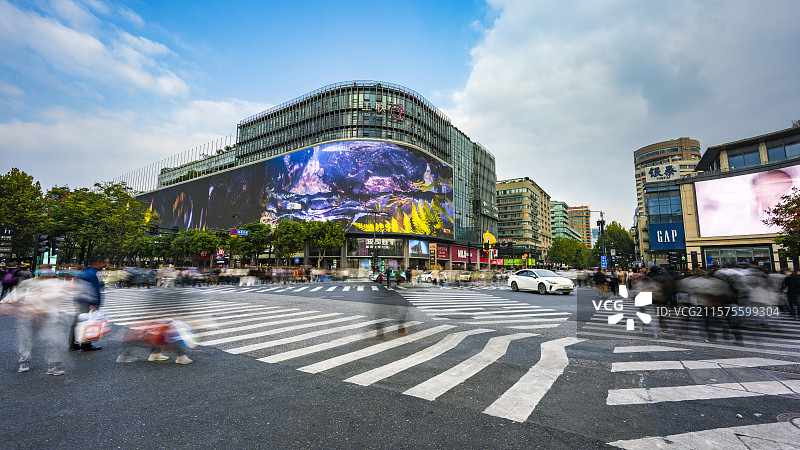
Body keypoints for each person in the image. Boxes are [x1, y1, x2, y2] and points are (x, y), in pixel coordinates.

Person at [3, 266, 70, 375]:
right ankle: (37, 364)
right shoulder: (32, 284)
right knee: (33, 340)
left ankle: (48, 365)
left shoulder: (51, 285)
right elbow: (14, 296)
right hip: (33, 315)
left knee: (49, 340)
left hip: (42, 315)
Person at [69, 260, 106, 351]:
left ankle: (73, 344)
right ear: (97, 263)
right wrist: (96, 303)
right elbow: (94, 289)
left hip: (80, 300)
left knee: (77, 322)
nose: (105, 264)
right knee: (87, 323)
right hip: (88, 302)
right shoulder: (93, 274)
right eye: (104, 262)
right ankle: (86, 345)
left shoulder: (83, 272)